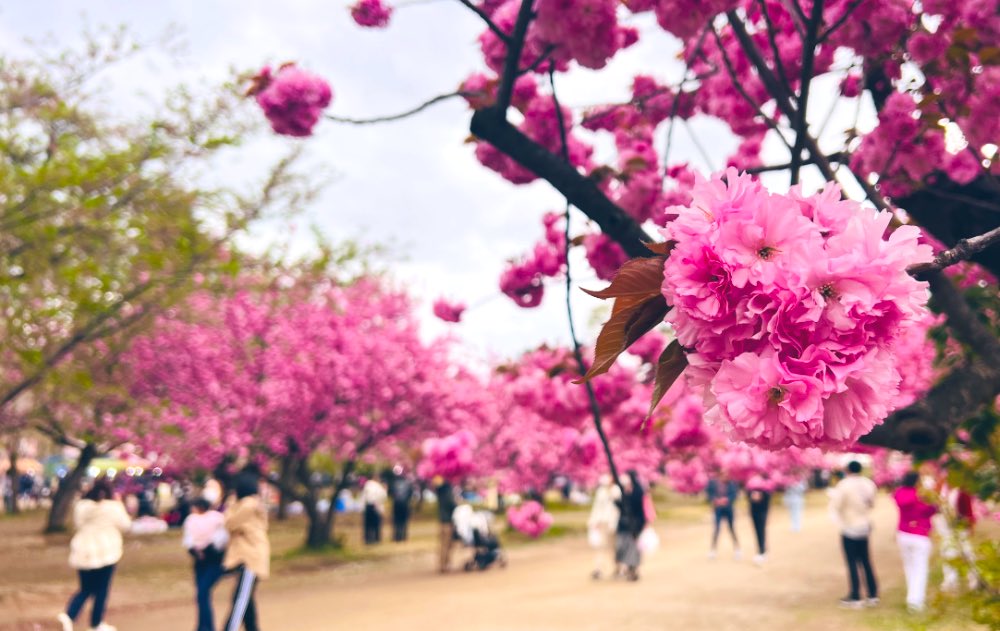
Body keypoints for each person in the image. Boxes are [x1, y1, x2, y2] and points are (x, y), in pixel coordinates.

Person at [57, 477, 131, 631]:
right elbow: (126, 525)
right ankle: (96, 623)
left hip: (83, 550)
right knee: (102, 589)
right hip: (106, 550)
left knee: (86, 588)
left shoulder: (82, 506)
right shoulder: (113, 507)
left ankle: (70, 615)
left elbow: (78, 524)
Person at [222, 471, 270, 631]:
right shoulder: (248, 504)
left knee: (240, 600)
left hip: (250, 558)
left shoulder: (248, 504)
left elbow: (229, 523)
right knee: (246, 600)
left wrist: (230, 503)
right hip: (248, 556)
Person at [829, 461, 878, 608]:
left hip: (850, 528)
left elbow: (836, 506)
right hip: (864, 526)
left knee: (852, 562)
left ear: (848, 470)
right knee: (866, 560)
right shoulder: (869, 484)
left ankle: (855, 595)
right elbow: (872, 503)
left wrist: (840, 521)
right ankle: (872, 594)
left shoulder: (844, 485)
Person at [893, 471, 937, 613]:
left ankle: (912, 597)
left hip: (904, 533)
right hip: (919, 534)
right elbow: (929, 510)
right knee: (920, 568)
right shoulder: (920, 496)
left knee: (910, 567)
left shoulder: (899, 493)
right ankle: (916, 601)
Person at [183, 497, 229, 631]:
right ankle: (203, 625)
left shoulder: (214, 519)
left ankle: (206, 627)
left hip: (213, 561)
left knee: (202, 593)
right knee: (202, 594)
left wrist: (202, 551)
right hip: (203, 561)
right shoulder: (194, 519)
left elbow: (220, 539)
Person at [614, 470, 646, 581]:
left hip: (635, 524)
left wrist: (641, 525)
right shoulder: (622, 490)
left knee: (633, 549)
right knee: (622, 547)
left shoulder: (638, 490)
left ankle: (633, 570)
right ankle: (626, 568)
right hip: (623, 524)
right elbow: (620, 506)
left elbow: (639, 508)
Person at [587, 474, 620, 579]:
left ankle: (617, 568)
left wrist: (615, 523)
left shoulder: (616, 490)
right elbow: (597, 507)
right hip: (603, 522)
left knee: (614, 547)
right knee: (601, 546)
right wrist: (594, 521)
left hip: (614, 522)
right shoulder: (601, 491)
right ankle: (598, 569)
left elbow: (618, 508)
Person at [706, 475, 740, 559]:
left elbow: (734, 495)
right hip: (718, 509)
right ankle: (713, 550)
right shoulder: (713, 483)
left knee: (731, 529)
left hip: (728, 509)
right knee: (716, 529)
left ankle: (737, 549)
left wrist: (727, 500)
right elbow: (709, 494)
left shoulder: (732, 484)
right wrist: (715, 500)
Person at [746, 477, 771, 565]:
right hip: (754, 514)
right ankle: (760, 550)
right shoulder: (750, 491)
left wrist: (760, 496)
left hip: (762, 513)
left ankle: (762, 551)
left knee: (761, 532)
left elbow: (767, 503)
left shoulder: (766, 491)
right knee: (757, 532)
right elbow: (749, 500)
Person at [435, 476, 457, 573]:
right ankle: (444, 565)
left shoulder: (439, 490)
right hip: (447, 521)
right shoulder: (446, 490)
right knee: (446, 544)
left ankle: (443, 564)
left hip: (442, 520)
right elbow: (451, 504)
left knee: (443, 544)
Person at [389, 469, 415, 542]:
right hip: (405, 504)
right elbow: (411, 494)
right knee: (404, 521)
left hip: (396, 504)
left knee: (396, 521)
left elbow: (390, 493)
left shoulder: (393, 483)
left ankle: (397, 536)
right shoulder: (407, 483)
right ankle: (403, 536)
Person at [361, 477, 387, 544]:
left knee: (368, 525)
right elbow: (383, 496)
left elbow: (363, 496)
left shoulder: (367, 484)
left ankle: (367, 539)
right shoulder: (378, 486)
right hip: (375, 506)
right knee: (376, 524)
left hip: (368, 506)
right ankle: (376, 539)